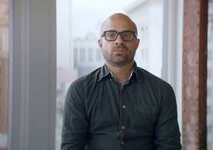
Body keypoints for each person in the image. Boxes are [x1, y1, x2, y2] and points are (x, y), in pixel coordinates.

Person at [61, 13, 181, 150]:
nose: (119, 41)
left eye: (127, 34)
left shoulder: (162, 91)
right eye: (111, 35)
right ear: (100, 43)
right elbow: (71, 146)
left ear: (137, 43)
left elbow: (169, 146)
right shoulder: (80, 90)